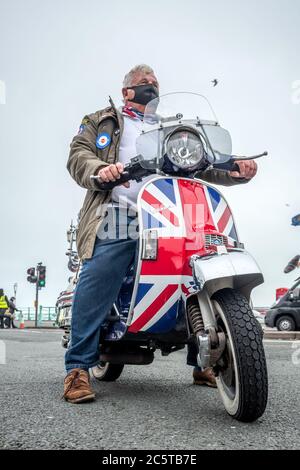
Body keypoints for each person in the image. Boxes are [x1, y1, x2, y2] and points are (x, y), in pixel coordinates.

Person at [64, 64, 257, 403]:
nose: (151, 86)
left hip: (172, 212)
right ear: (127, 91)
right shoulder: (102, 121)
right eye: (144, 83)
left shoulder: (173, 127)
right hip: (122, 211)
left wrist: (235, 168)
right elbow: (79, 156)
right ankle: (78, 368)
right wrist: (101, 169)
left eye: (155, 82)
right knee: (101, 270)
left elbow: (203, 160)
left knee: (202, 263)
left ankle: (207, 360)